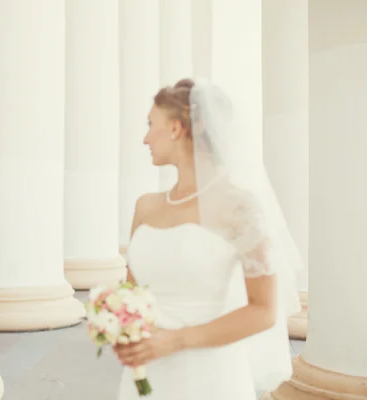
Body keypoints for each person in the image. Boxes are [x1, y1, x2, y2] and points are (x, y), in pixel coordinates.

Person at [113, 79, 302, 399]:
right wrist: (120, 327)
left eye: (150, 124)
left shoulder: (239, 208)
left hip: (209, 375)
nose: (145, 138)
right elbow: (132, 289)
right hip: (144, 375)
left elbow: (263, 311)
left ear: (175, 128)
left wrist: (174, 340)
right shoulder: (146, 206)